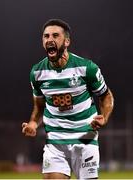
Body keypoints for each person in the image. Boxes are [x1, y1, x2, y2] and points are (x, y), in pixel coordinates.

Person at [22, 19, 114, 179]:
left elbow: (106, 96)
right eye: (46, 36)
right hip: (55, 138)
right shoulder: (36, 73)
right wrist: (33, 123)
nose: (49, 39)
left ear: (66, 41)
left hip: (86, 135)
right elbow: (39, 107)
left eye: (55, 35)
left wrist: (104, 117)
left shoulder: (87, 68)